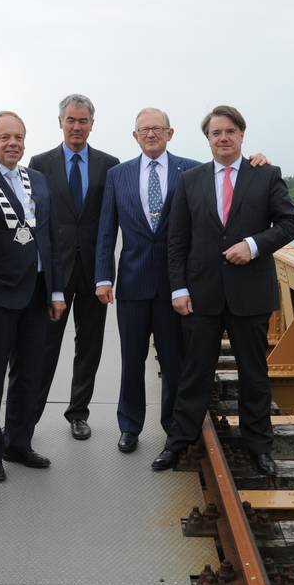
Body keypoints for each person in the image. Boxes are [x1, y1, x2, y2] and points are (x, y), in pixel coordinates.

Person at [153, 105, 294, 476]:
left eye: (230, 131)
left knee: (254, 374)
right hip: (201, 293)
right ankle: (179, 441)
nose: (223, 138)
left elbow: (289, 223)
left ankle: (259, 447)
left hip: (249, 293)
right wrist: (178, 289)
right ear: (207, 139)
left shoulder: (265, 175)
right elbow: (177, 241)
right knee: (194, 372)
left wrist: (253, 245)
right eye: (216, 133)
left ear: (241, 135)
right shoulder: (190, 181)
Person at [93, 108, 198, 454]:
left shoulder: (192, 171)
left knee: (173, 361)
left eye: (157, 128)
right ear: (135, 136)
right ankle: (129, 426)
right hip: (133, 283)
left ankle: (172, 426)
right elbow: (106, 230)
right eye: (144, 130)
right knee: (132, 358)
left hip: (174, 286)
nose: (150, 134)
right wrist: (103, 277)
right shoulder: (118, 175)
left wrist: (257, 160)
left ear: (170, 133)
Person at [0, 111, 67, 483]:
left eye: (19, 137)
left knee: (29, 374)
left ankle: (18, 443)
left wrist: (57, 290)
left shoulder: (37, 180)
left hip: (37, 293)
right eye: (5, 137)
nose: (13, 143)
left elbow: (50, 239)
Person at [28, 94, 120, 441]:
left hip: (95, 272)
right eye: (71, 120)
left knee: (89, 345)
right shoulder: (40, 163)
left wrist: (106, 275)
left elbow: (114, 215)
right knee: (44, 346)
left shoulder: (110, 165)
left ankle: (78, 412)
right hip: (55, 271)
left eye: (83, 121)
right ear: (60, 122)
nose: (77, 126)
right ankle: (30, 416)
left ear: (92, 125)